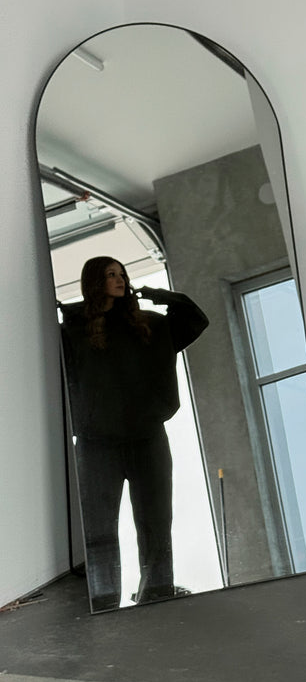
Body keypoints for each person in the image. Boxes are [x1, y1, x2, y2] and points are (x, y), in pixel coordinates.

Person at [60, 257, 209, 611]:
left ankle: (157, 592)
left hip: (147, 438)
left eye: (122, 273)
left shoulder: (150, 326)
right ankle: (103, 598)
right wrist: (75, 313)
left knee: (157, 521)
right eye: (110, 274)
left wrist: (160, 295)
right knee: (97, 529)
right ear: (94, 281)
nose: (120, 279)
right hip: (96, 444)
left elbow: (195, 320)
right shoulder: (73, 333)